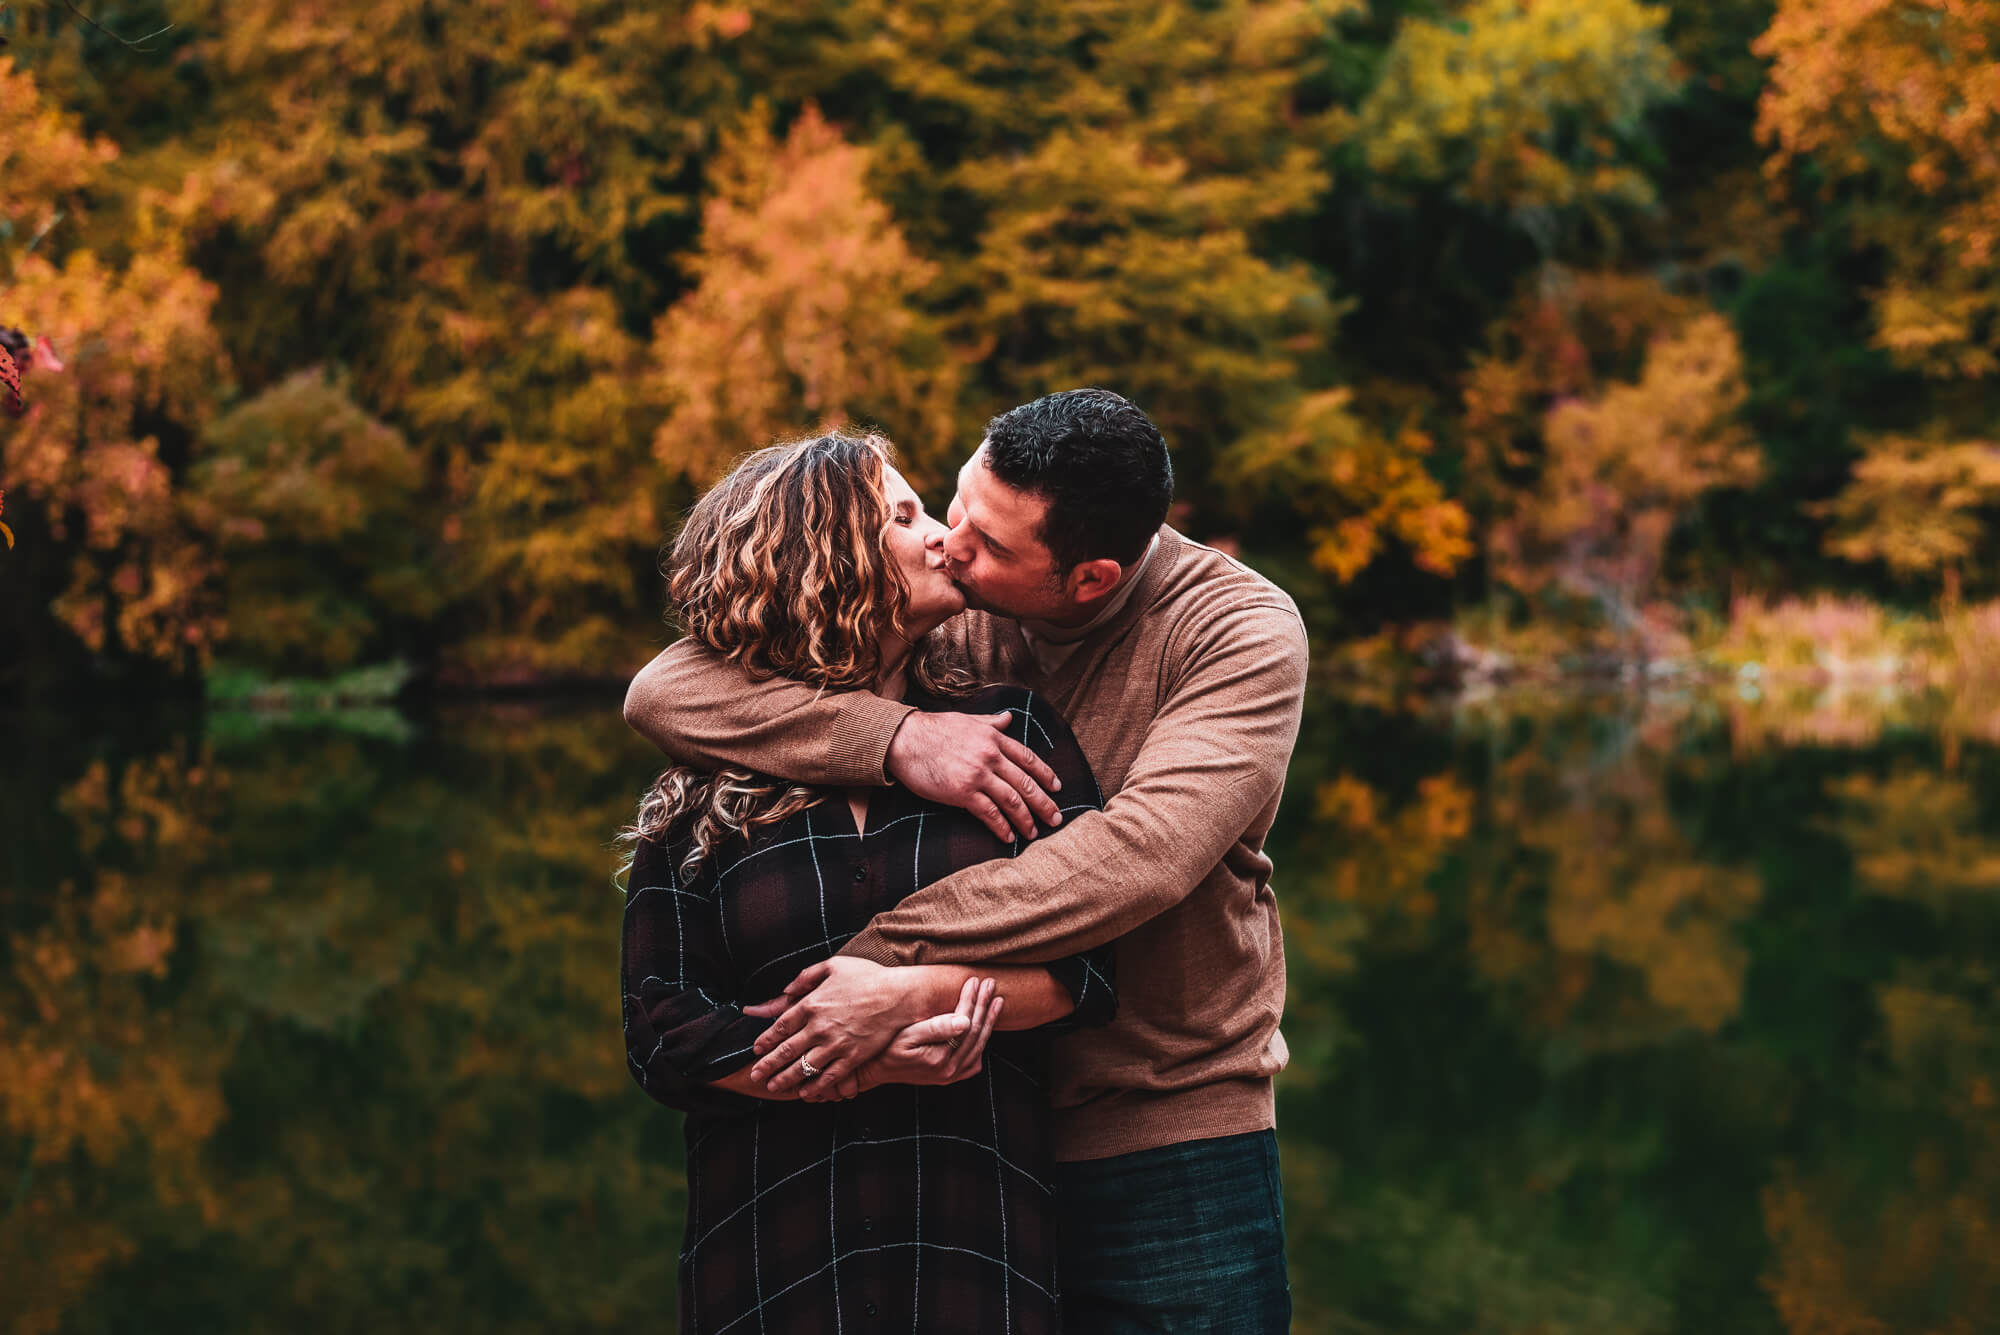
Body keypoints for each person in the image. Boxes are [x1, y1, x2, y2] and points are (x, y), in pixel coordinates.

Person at [625, 388, 1309, 1333]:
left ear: (1090, 579)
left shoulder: (1236, 632)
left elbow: (1138, 857)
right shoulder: (956, 605)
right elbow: (666, 691)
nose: (949, 544)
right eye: (952, 506)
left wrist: (885, 964)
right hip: (978, 1140)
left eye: (986, 543)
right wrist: (897, 737)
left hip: (1163, 1135)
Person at [618, 430, 1117, 1333]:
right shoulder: (704, 782)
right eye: (904, 515)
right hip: (771, 1254)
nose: (942, 537)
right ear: (826, 558)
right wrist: (853, 1066)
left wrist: (914, 1000)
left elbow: (1085, 973)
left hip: (979, 1249)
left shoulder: (1015, 736)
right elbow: (661, 1027)